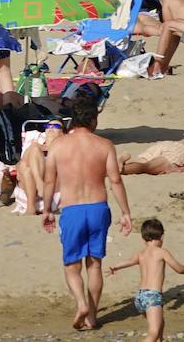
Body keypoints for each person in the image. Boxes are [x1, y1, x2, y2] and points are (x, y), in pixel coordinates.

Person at [41, 96, 133, 332]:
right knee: (94, 265)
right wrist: (125, 212)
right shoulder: (104, 145)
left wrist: (47, 210)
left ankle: (81, 303)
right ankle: (92, 316)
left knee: (72, 265)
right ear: (93, 120)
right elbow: (115, 180)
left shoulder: (58, 146)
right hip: (98, 208)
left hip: (71, 210)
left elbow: (49, 180)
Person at [108, 219, 184, 342]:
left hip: (140, 297)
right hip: (152, 296)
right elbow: (179, 269)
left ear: (143, 238)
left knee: (160, 324)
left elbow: (129, 262)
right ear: (162, 236)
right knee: (153, 332)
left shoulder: (141, 253)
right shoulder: (162, 252)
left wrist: (115, 267)